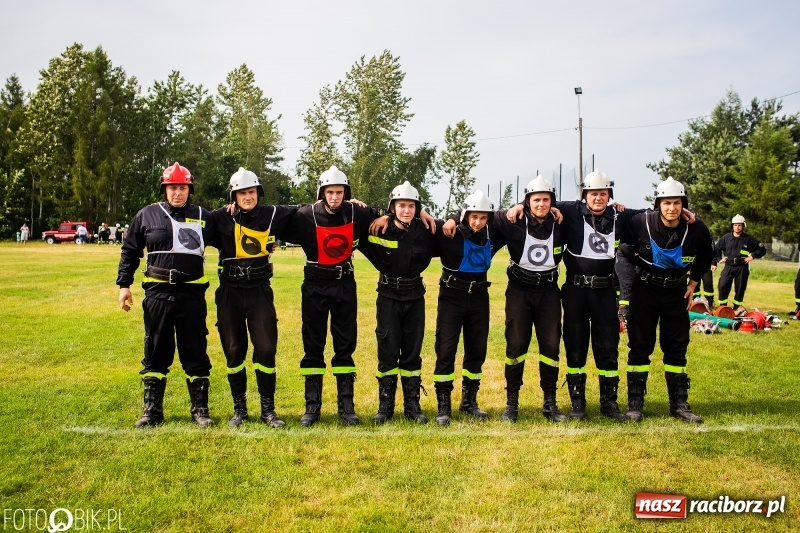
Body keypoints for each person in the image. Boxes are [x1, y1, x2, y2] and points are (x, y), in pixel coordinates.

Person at [278, 165, 381, 427]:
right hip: (314, 285)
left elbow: (391, 212)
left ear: (346, 193)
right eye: (330, 192)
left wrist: (380, 216)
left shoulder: (357, 211)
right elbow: (270, 217)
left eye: (339, 192)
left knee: (345, 343)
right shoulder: (305, 215)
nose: (335, 197)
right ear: (321, 192)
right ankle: (312, 406)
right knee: (313, 343)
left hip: (344, 284)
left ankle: (346, 406)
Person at [117, 162, 216, 428]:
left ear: (189, 189)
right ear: (165, 189)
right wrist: (124, 285)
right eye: (172, 187)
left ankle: (200, 409)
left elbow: (230, 233)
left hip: (192, 294)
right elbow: (130, 251)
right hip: (158, 294)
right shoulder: (147, 215)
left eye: (182, 187)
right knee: (156, 348)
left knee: (195, 348)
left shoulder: (205, 217)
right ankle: (152, 411)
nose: (177, 193)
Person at [537, 169, 642, 421]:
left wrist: (684, 211)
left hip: (605, 291)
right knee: (575, 345)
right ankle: (577, 403)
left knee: (608, 347)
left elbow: (650, 215)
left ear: (609, 195)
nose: (598, 198)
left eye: (603, 193)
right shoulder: (571, 210)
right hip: (575, 291)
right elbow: (538, 199)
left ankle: (609, 403)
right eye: (593, 193)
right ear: (585, 195)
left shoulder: (620, 215)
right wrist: (518, 207)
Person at [208, 168, 299, 428]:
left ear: (258, 192)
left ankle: (268, 410)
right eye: (241, 193)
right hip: (229, 291)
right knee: (234, 350)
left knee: (266, 348)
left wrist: (353, 206)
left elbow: (307, 209)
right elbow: (193, 220)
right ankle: (240, 410)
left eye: (251, 192)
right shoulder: (219, 218)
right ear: (233, 195)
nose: (247, 197)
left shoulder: (272, 214)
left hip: (259, 290)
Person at [622, 177, 713, 423]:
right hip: (645, 291)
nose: (671, 208)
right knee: (640, 346)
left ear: (684, 205)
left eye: (676, 203)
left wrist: (693, 283)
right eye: (666, 203)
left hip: (676, 293)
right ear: (658, 204)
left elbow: (707, 255)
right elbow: (614, 220)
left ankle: (679, 404)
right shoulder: (641, 222)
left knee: (676, 347)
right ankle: (635, 404)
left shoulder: (697, 229)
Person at [359, 181, 438, 424]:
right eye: (401, 205)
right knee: (388, 349)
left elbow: (455, 226)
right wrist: (379, 214)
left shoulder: (426, 230)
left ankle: (412, 406)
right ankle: (385, 406)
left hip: (415, 295)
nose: (406, 210)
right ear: (392, 207)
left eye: (412, 206)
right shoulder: (376, 229)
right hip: (388, 296)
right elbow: (349, 212)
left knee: (412, 351)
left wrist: (429, 213)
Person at [492, 176, 568, 423]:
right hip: (519, 291)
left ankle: (550, 403)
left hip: (548, 292)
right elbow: (480, 214)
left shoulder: (562, 221)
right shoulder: (513, 220)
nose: (541, 204)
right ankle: (511, 404)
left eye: (546, 200)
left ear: (552, 202)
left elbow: (589, 208)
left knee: (551, 347)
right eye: (536, 200)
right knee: (515, 346)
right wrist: (451, 218)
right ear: (527, 201)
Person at [434, 190, 506, 425]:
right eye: (473, 216)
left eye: (483, 217)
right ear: (465, 215)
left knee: (477, 350)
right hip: (451, 297)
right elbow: (418, 220)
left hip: (479, 298)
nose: (478, 222)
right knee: (446, 350)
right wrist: (452, 217)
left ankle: (469, 402)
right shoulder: (449, 231)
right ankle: (443, 405)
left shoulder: (493, 232)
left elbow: (513, 215)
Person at [712, 214, 766, 314]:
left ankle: (737, 307)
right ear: (732, 226)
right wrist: (719, 259)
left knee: (740, 287)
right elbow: (716, 249)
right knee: (723, 285)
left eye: (740, 225)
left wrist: (752, 256)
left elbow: (761, 249)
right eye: (735, 225)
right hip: (728, 265)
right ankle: (723, 306)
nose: (737, 227)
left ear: (743, 226)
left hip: (742, 267)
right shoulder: (726, 237)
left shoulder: (749, 239)